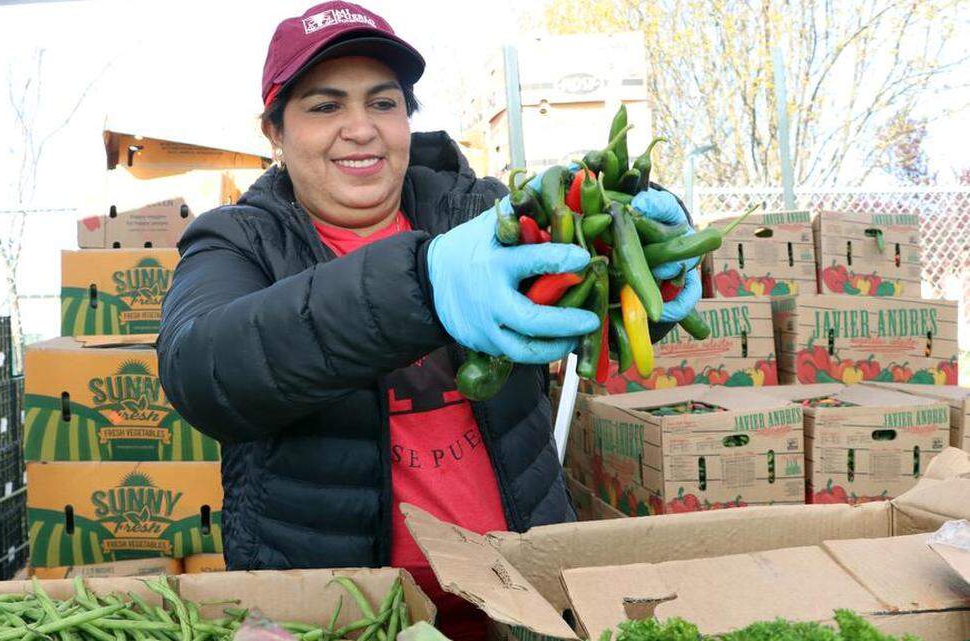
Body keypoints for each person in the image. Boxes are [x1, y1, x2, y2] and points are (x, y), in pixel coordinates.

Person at [157, 3, 700, 638]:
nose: (361, 129)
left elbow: (594, 308)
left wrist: (654, 258)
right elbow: (205, 371)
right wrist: (425, 284)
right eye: (325, 106)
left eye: (383, 104)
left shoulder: (484, 211)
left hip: (524, 591)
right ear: (274, 132)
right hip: (347, 611)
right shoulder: (237, 240)